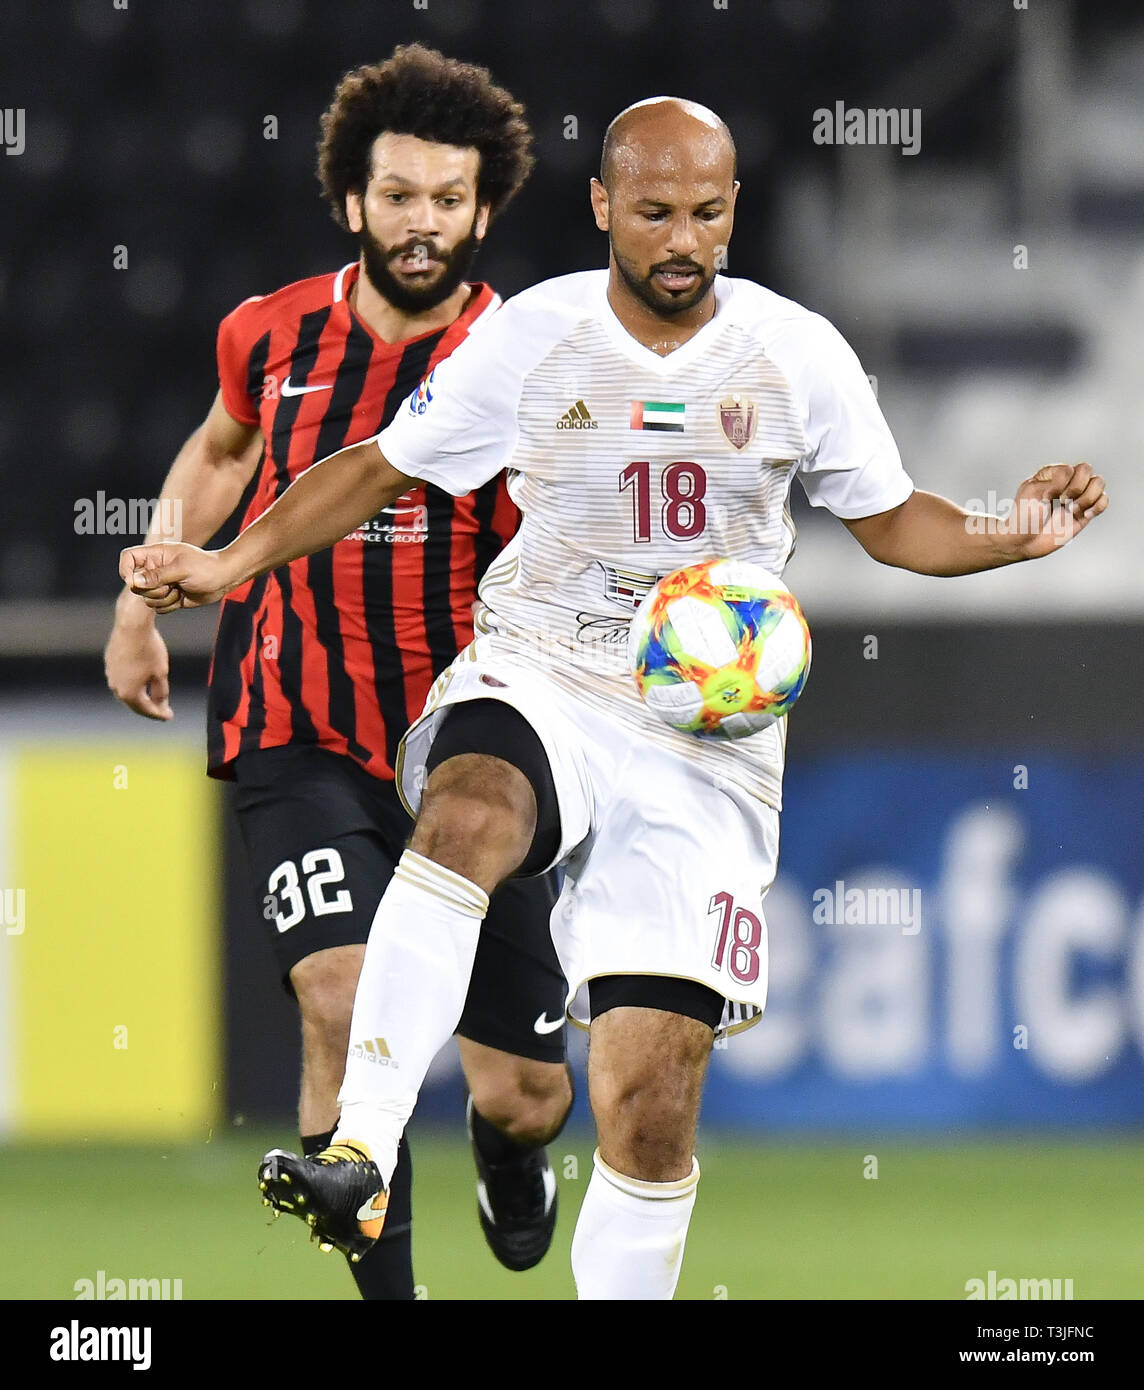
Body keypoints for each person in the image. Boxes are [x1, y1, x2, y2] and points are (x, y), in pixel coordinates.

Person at [120, 95, 1108, 1300]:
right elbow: (380, 464)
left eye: (705, 212)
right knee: (471, 811)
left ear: (733, 208)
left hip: (706, 737)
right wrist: (225, 564)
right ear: (602, 208)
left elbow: (896, 523)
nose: (680, 240)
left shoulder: (797, 353)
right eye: (652, 213)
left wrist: (1015, 528)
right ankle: (362, 1148)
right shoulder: (535, 336)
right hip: (543, 667)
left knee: (648, 1098)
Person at [104, 44, 574, 1300]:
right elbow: (217, 452)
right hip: (295, 721)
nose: (422, 223)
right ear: (350, 200)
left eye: (447, 199)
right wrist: (143, 597)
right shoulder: (268, 334)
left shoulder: (527, 363)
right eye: (399, 195)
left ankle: (508, 1149)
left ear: (484, 209)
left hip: (473, 750)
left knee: (526, 1088)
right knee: (341, 995)